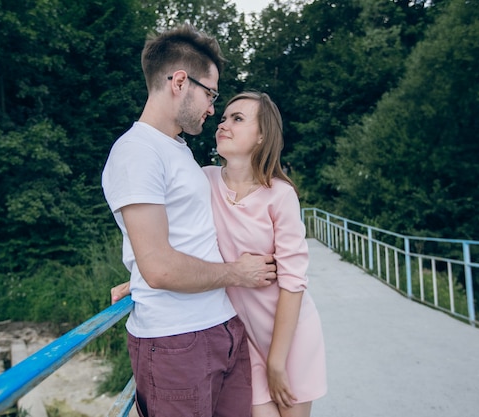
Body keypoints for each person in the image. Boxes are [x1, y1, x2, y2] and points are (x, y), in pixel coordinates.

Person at [102, 25, 277, 417]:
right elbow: (161, 267)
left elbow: (181, 240)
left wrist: (139, 273)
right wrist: (238, 273)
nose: (213, 108)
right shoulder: (137, 153)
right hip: (176, 341)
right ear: (180, 81)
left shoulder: (177, 149)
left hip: (224, 328)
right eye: (211, 93)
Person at [202, 91, 327, 417]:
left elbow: (292, 280)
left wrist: (277, 360)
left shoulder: (280, 196)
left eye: (237, 119)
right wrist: (141, 280)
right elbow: (176, 243)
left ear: (261, 136)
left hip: (291, 339)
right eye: (224, 117)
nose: (223, 124)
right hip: (244, 340)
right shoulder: (204, 180)